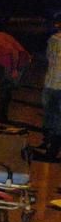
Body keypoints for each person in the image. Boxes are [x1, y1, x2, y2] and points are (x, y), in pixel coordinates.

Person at [42, 14, 61, 158]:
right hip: (51, 82)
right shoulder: (53, 39)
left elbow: (49, 57)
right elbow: (49, 57)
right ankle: (49, 142)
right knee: (51, 114)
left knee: (55, 116)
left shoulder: (53, 40)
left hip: (54, 84)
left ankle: (53, 148)